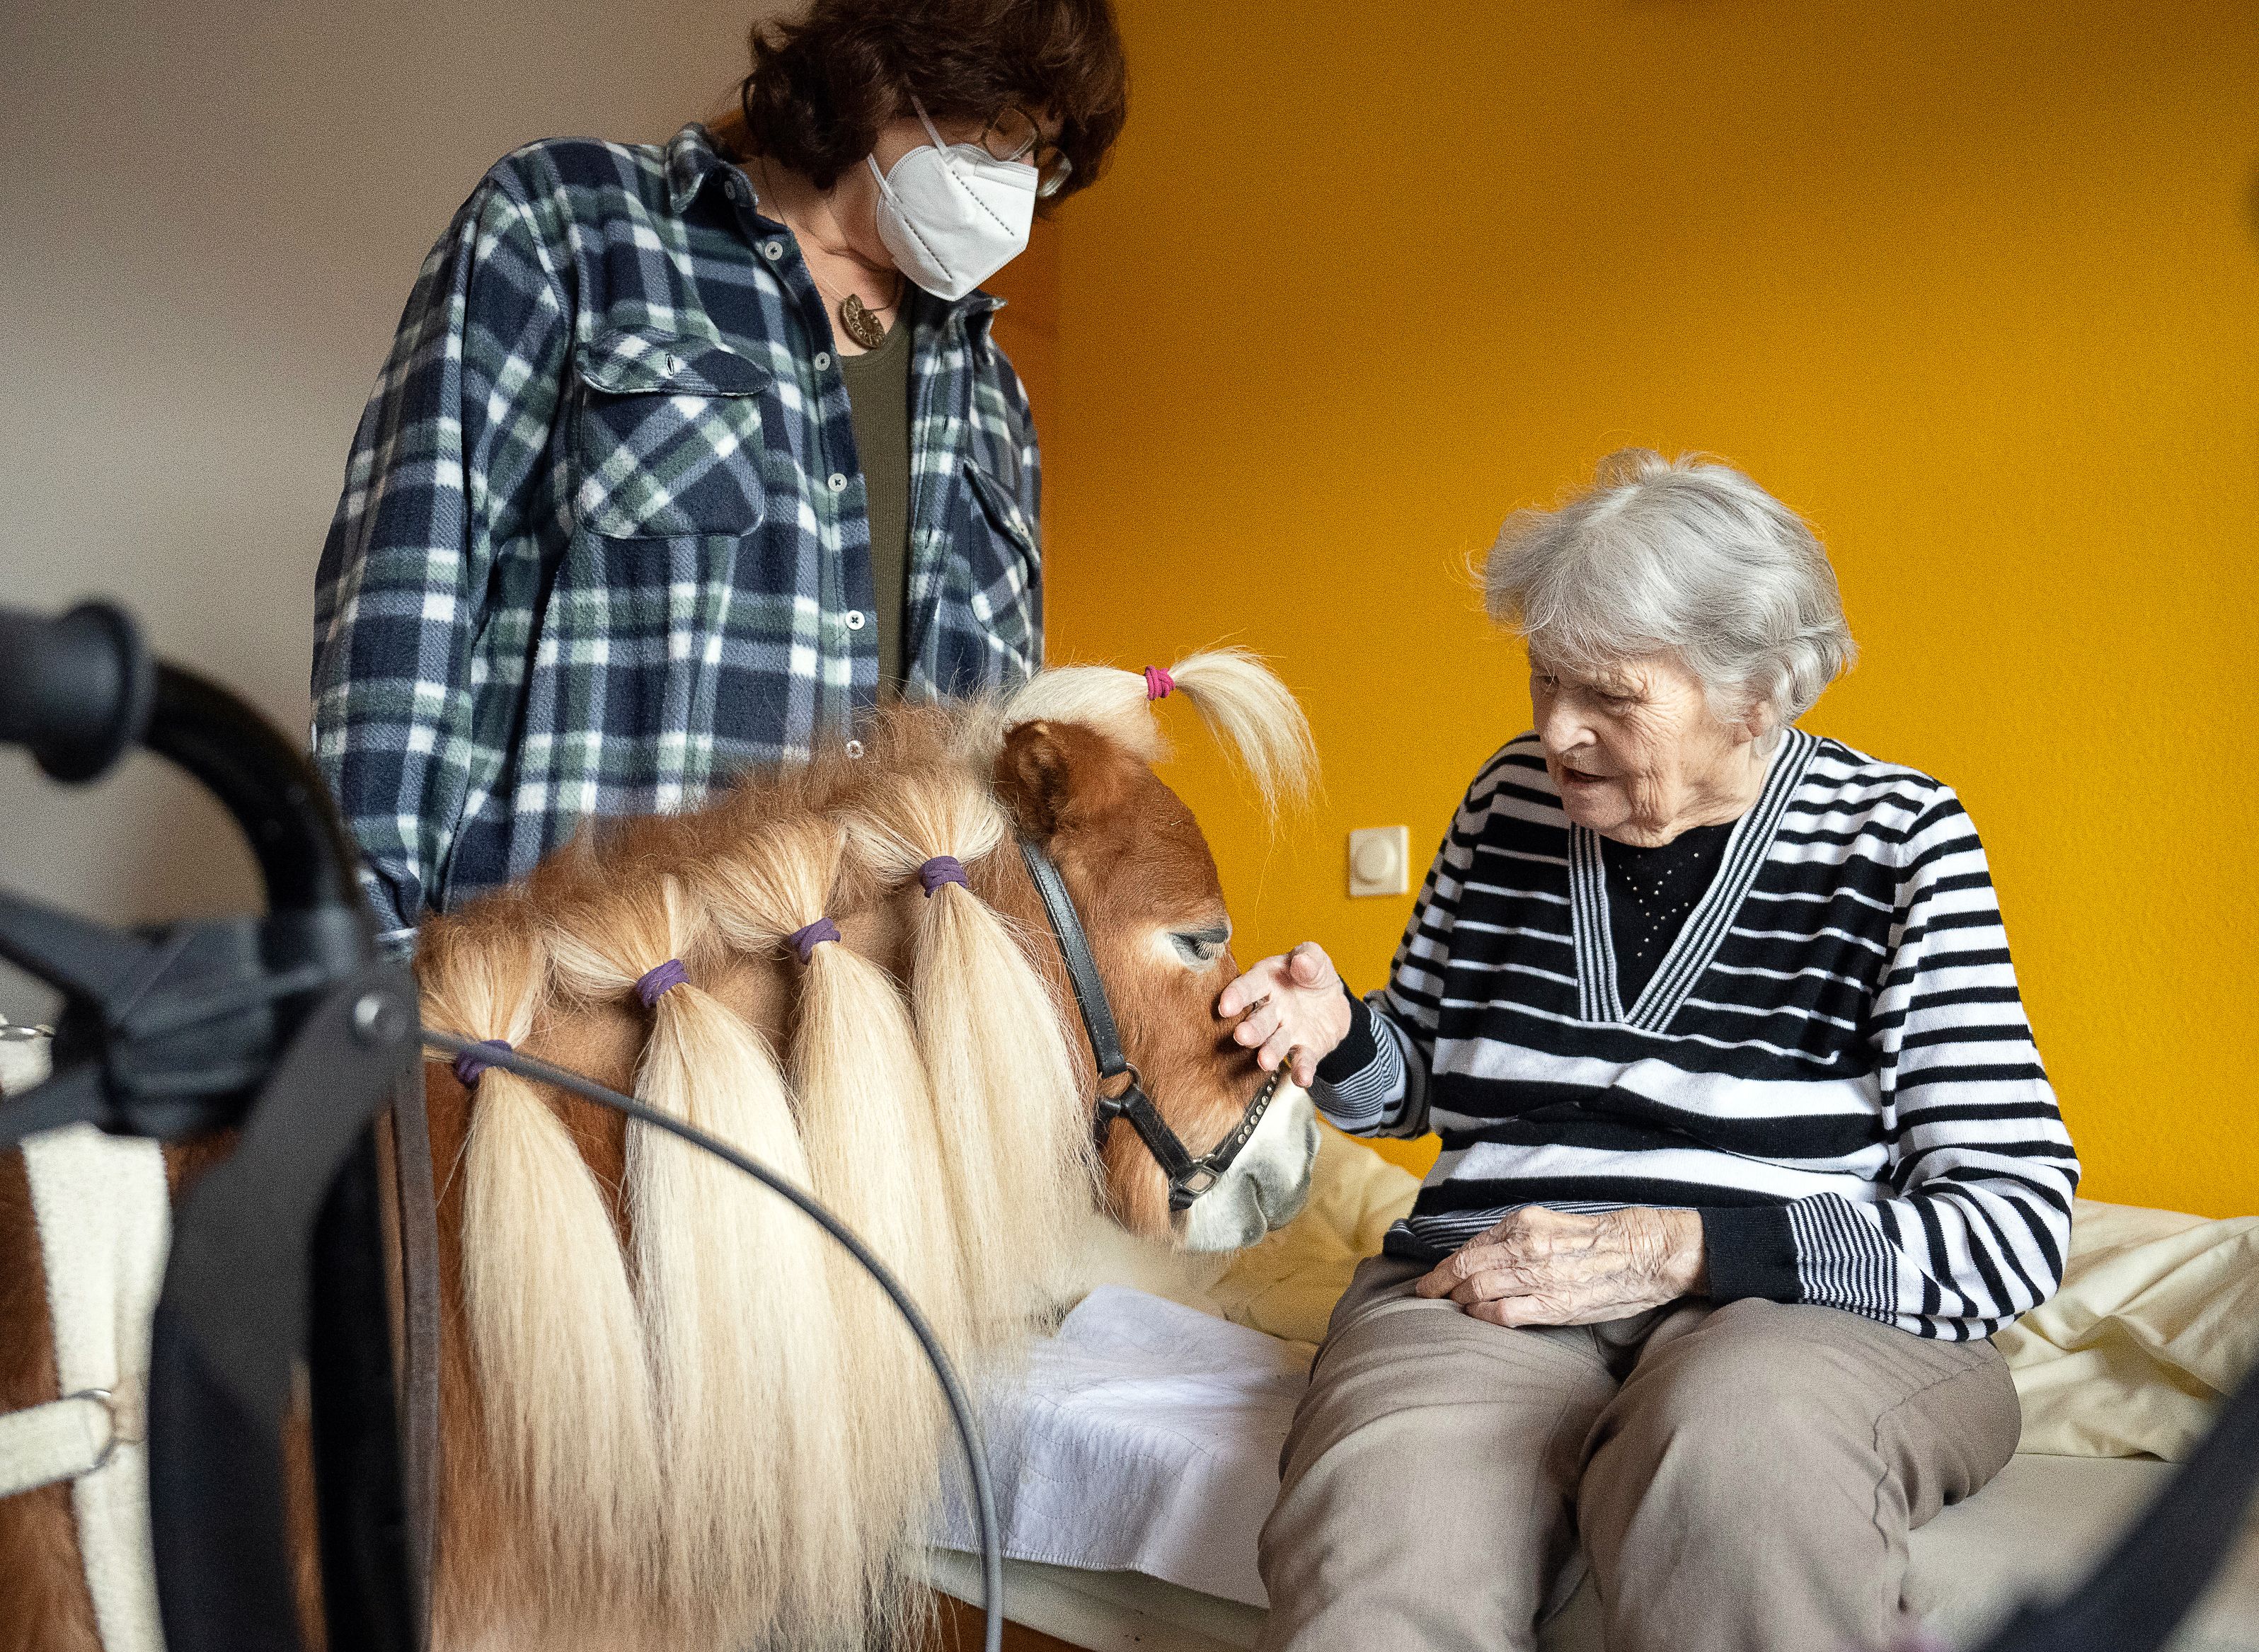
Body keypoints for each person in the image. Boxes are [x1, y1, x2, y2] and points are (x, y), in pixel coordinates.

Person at [1219, 450, 2079, 1652]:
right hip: (1497, 1281)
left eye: (1610, 696)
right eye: (1544, 677)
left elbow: (2014, 1218)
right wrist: (1342, 1035)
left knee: (1733, 1450)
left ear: (1755, 698)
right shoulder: (1508, 802)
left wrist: (1687, 1248)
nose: (1557, 730)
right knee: (1383, 1519)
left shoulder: (1900, 840)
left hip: (1799, 1312)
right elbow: (1421, 1080)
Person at [311, 0, 1126, 945]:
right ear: (894, 70)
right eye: (1009, 132)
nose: (1019, 183)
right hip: (563, 1015)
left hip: (863, 1050)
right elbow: (407, 597)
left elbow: (997, 773)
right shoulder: (572, 230)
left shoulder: (994, 400)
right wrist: (367, 967)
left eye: (1046, 156)